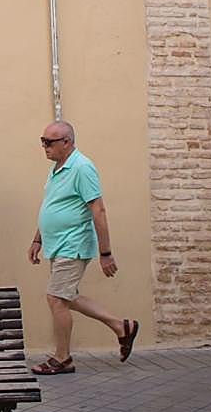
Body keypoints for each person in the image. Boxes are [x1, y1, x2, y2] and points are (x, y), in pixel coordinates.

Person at [27, 121, 139, 375]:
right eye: (42, 141)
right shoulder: (57, 168)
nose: (44, 146)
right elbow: (52, 206)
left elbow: (98, 210)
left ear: (66, 142)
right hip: (57, 244)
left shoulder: (82, 167)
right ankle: (121, 327)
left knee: (56, 298)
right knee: (66, 296)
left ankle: (63, 358)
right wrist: (38, 239)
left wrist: (105, 253)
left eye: (49, 142)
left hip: (73, 243)